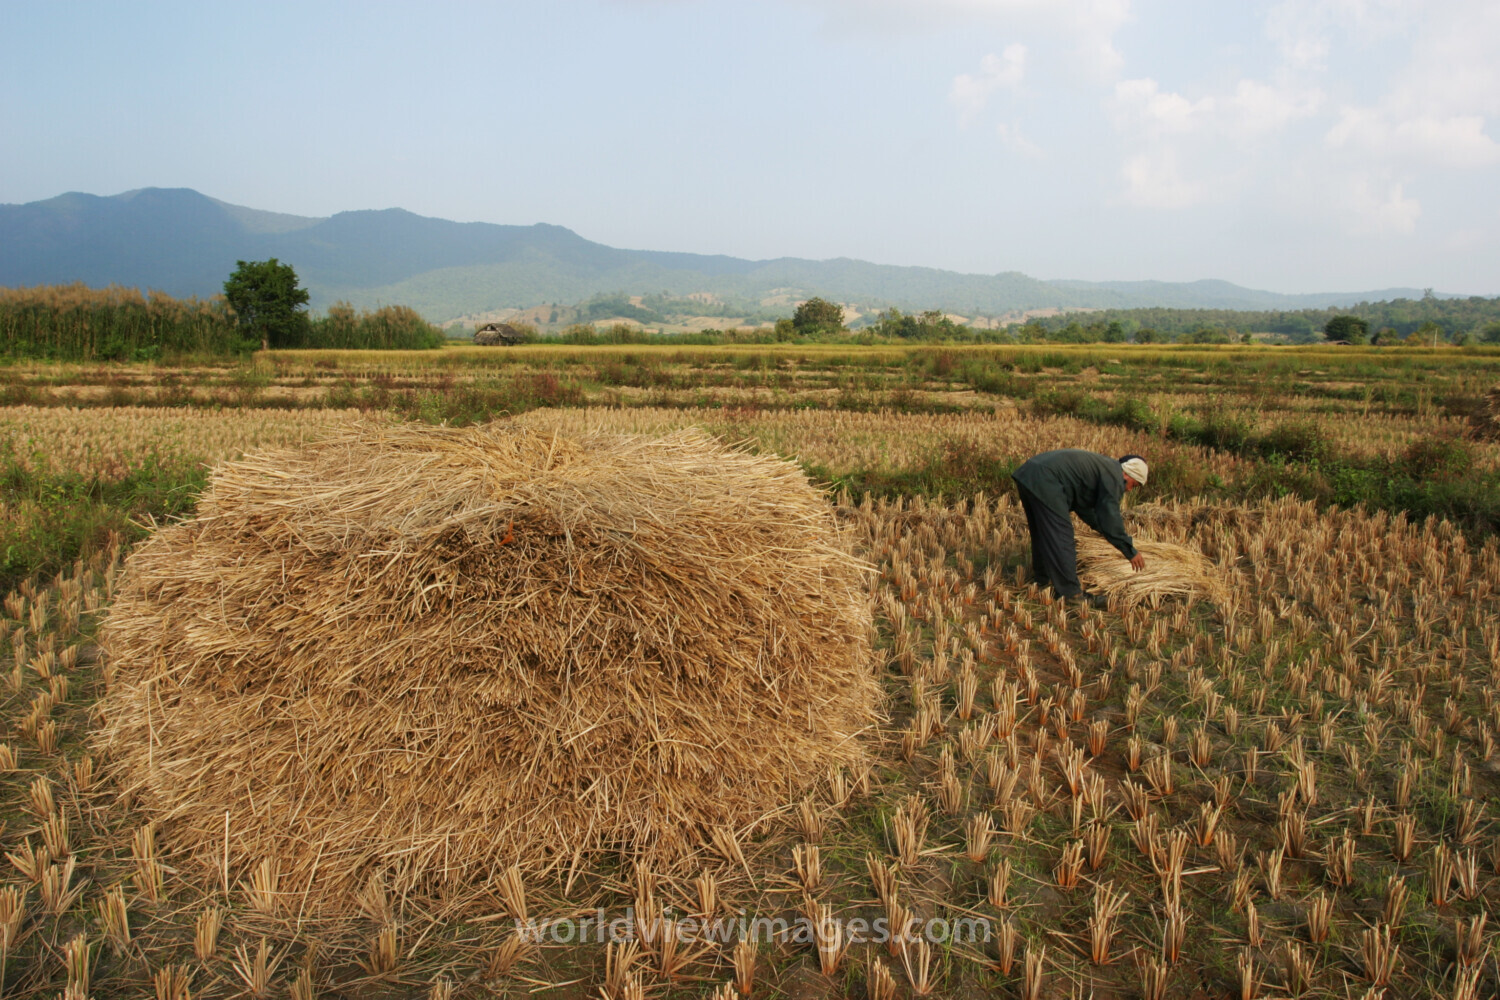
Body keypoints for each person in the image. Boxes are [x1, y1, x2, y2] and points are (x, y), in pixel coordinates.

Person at [1011, 450, 1148, 607]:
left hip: (1029, 473)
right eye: (1134, 485)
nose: (1130, 490)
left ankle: (1043, 580)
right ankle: (1072, 595)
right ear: (1128, 475)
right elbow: (1111, 517)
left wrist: (1102, 530)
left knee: (1043, 533)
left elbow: (1086, 509)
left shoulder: (1104, 469)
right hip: (1047, 479)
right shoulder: (1114, 477)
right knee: (1062, 539)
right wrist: (1129, 550)